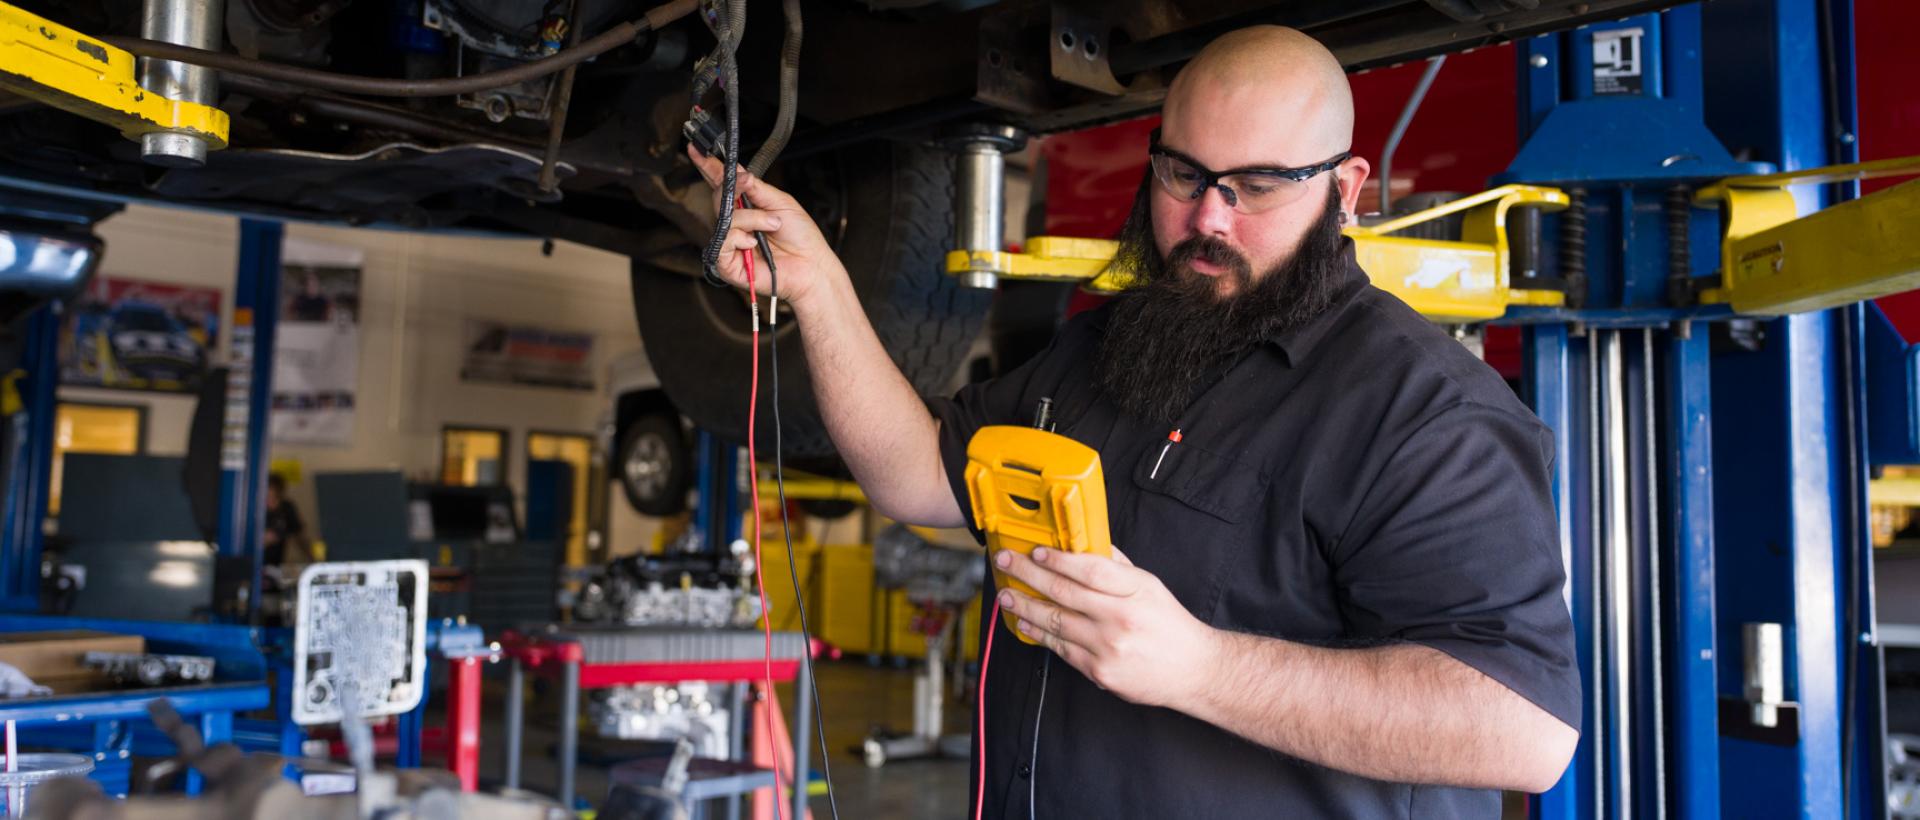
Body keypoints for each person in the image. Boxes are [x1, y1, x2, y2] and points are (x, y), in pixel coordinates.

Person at [689, 25, 1578, 818]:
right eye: (1182, 173)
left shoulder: (1424, 414)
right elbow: (919, 474)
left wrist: (1200, 667)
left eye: (1257, 185)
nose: (1206, 218)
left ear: (1347, 190)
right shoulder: (1114, 343)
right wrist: (821, 288)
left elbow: (1523, 730)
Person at [263, 473, 310, 567]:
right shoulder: (252, 510)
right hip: (254, 563)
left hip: (276, 565)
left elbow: (299, 536)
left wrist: (312, 558)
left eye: (274, 498)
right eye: (266, 498)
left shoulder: (286, 508)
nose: (269, 503)